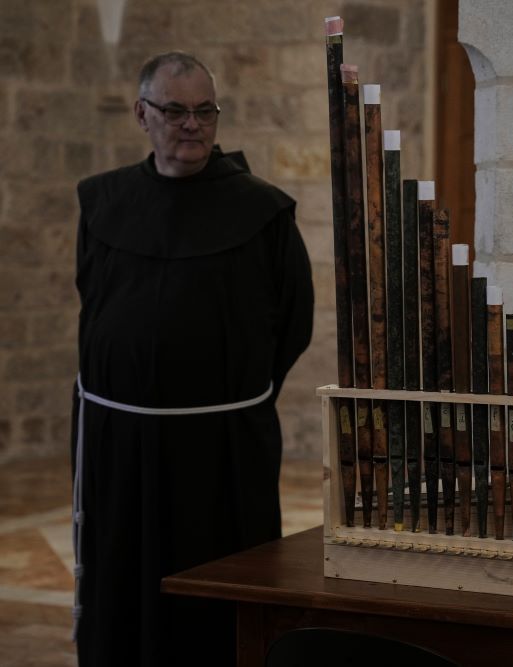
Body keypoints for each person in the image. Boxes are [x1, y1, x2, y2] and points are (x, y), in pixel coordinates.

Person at [73, 52, 313, 666]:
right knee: (122, 581)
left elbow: (292, 323)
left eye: (205, 111)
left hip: (219, 444)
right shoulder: (102, 203)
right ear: (141, 114)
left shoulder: (263, 212)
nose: (192, 125)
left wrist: (222, 391)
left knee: (214, 601)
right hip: (119, 439)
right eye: (175, 110)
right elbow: (94, 302)